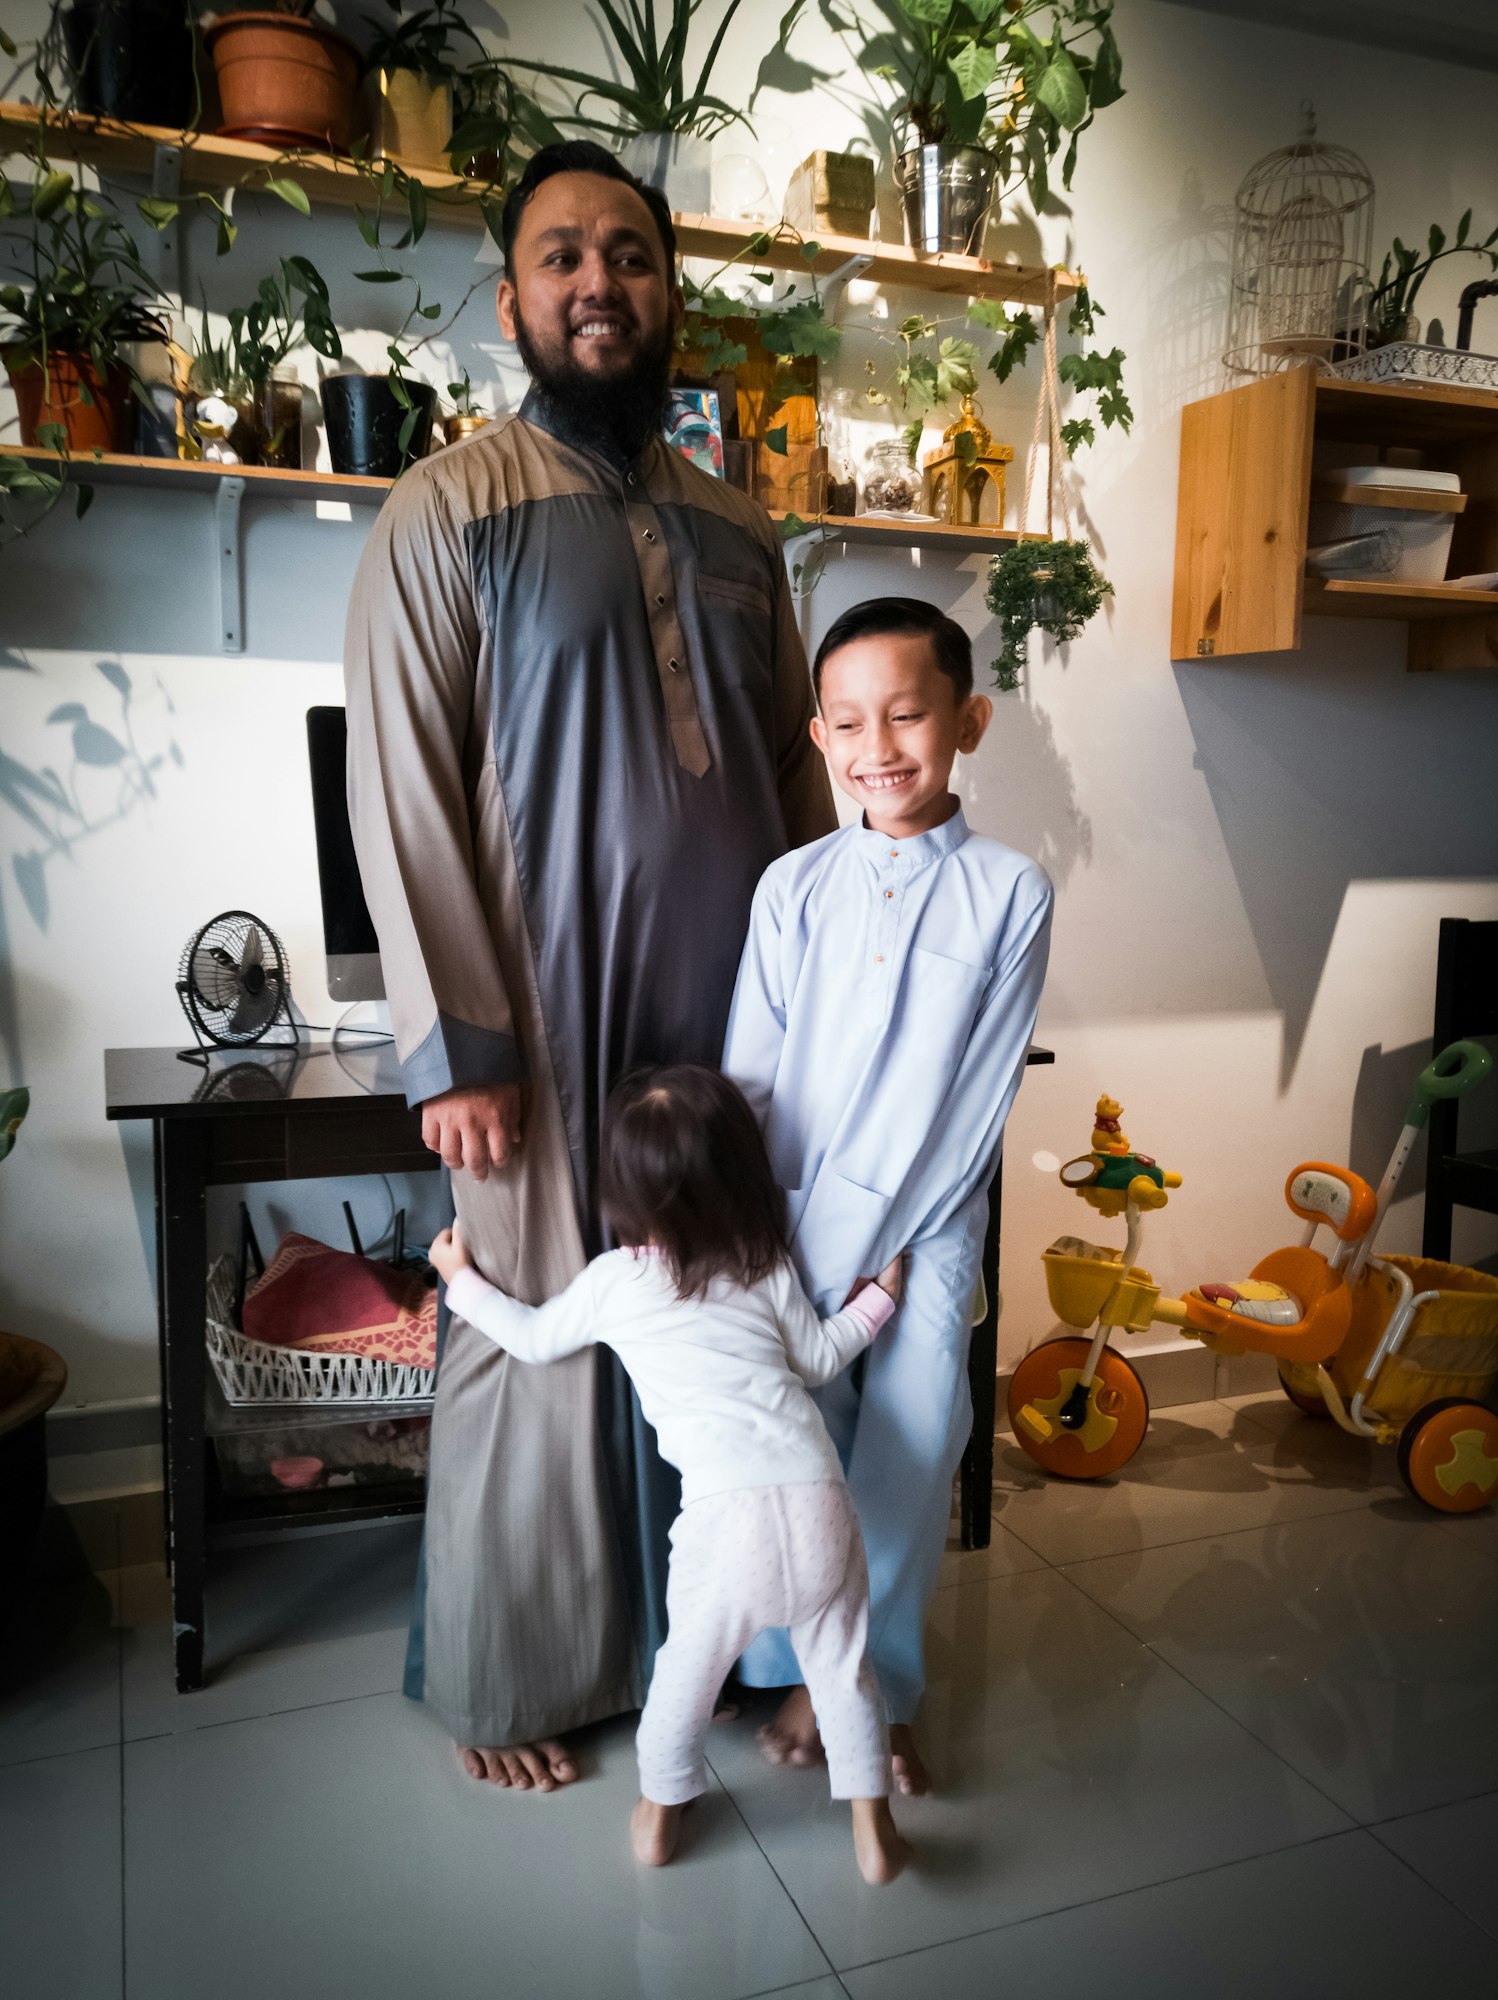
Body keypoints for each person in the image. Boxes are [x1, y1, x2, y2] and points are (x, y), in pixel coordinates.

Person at [344, 140, 834, 1792]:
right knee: (535, 1324)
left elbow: (795, 782)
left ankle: (729, 1643)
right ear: (513, 301)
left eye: (627, 254)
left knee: (722, 1320)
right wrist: (454, 1054)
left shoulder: (737, 533)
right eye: (562, 257)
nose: (597, 282)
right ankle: (516, 1678)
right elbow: (401, 789)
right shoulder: (445, 512)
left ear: (669, 294)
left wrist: (817, 1003)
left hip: (723, 1026)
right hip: (538, 1029)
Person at [723, 595, 1053, 1795]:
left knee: (913, 1449)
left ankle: (872, 1688)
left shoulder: (1012, 891)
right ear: (817, 736)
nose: (880, 747)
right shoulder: (790, 886)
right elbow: (747, 1076)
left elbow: (970, 1101)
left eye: (908, 715)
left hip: (925, 1230)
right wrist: (754, 1229)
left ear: (966, 718)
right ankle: (792, 1663)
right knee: (805, 1447)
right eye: (850, 722)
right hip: (792, 1223)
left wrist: (884, 1241)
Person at [426, 1066, 910, 1885]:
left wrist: (459, 1278)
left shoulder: (618, 1283)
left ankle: (660, 1812)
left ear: (622, 1192)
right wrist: (878, 1301)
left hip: (727, 1530)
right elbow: (821, 1360)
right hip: (820, 1499)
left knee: (686, 1673)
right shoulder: (765, 1264)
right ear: (743, 1174)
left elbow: (536, 1337)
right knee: (842, 1666)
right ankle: (872, 1829)